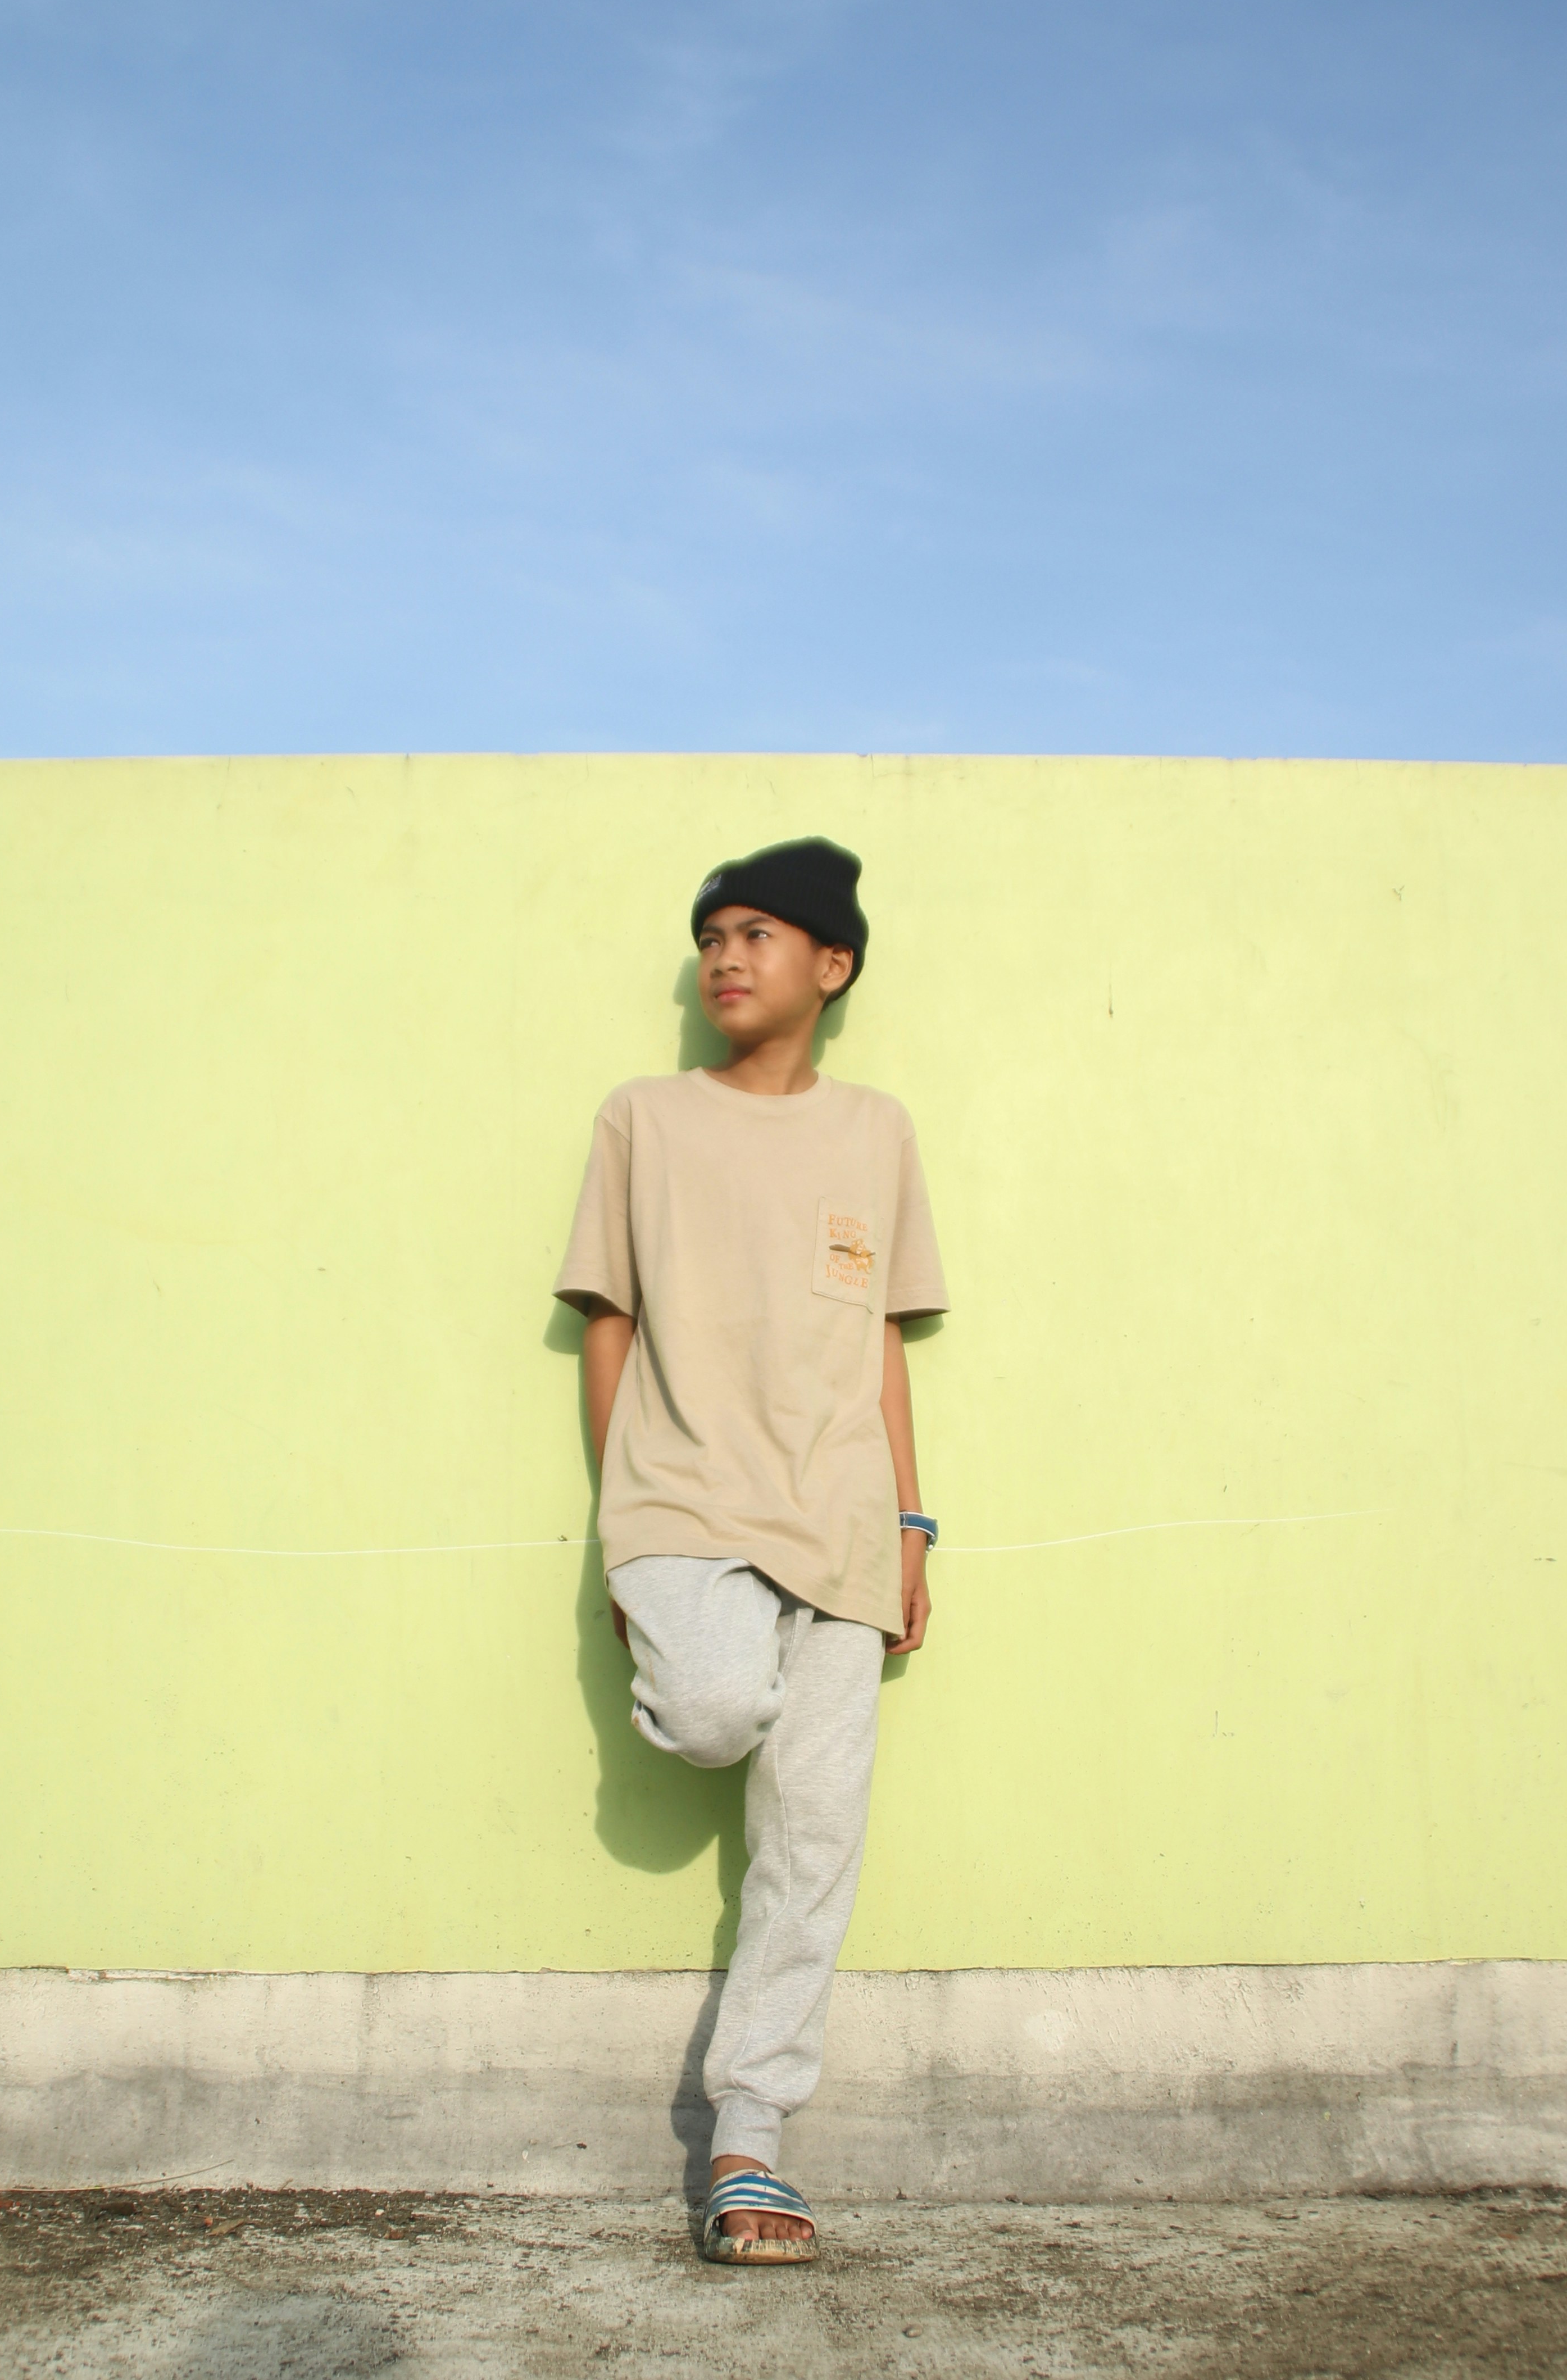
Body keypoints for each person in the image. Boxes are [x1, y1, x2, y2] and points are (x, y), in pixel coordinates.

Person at [555, 835, 948, 2265]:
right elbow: (610, 1323)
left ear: (831, 965)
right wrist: (624, 1527)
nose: (724, 956)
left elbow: (882, 1345)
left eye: (758, 933)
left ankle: (751, 2142)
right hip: (684, 1503)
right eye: (711, 935)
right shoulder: (644, 1118)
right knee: (714, 1709)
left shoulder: (877, 1132)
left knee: (813, 1839)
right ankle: (698, 1652)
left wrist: (911, 1525)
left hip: (842, 1518)